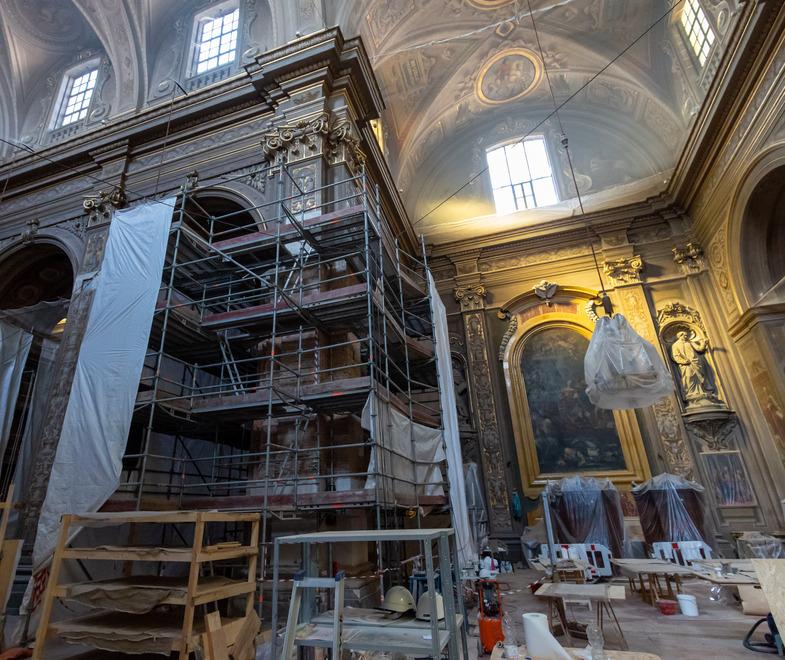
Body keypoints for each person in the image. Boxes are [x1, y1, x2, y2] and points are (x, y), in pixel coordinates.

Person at [670, 330, 718, 405]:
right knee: (689, 378)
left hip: (695, 362)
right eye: (684, 335)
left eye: (686, 335)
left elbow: (699, 349)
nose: (686, 337)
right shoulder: (675, 345)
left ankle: (701, 391)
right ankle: (690, 393)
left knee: (699, 377)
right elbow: (675, 356)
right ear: (680, 336)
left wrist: (703, 343)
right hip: (686, 364)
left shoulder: (689, 342)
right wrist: (683, 361)